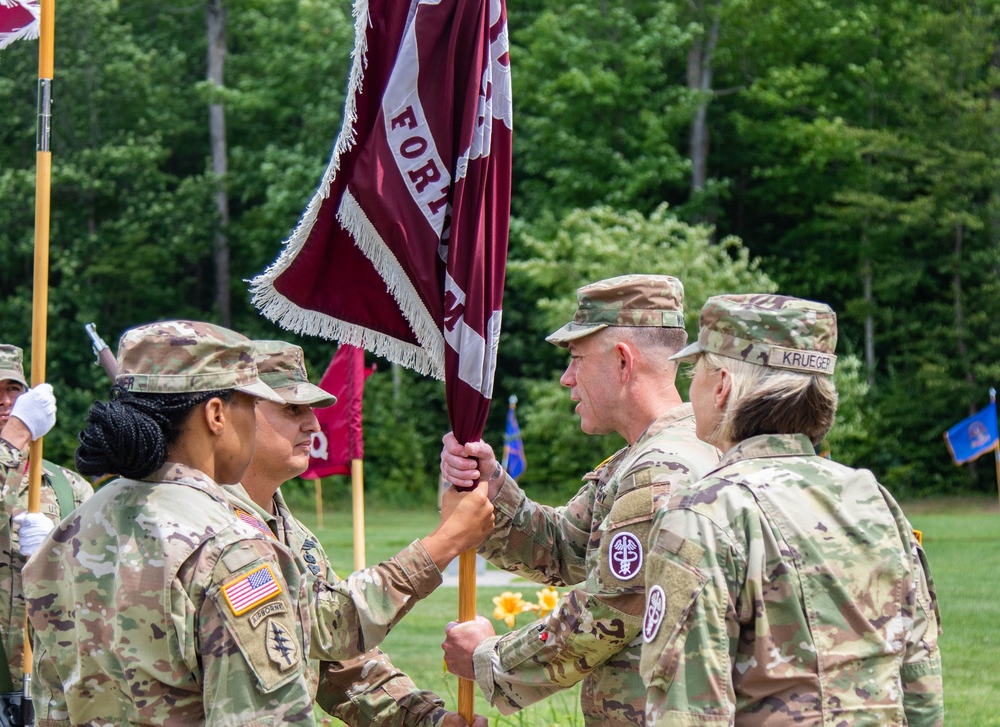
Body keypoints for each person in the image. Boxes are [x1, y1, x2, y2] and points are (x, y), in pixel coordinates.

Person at [22, 320, 494, 725]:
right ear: (216, 414)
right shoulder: (228, 546)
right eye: (256, 404)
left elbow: (324, 655)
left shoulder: (72, 528)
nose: (312, 424)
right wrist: (446, 540)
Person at [639, 294, 944, 725]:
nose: (691, 389)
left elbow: (687, 708)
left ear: (722, 385)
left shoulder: (706, 512)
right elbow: (920, 679)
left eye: (695, 371)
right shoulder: (872, 498)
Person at [440, 275, 721, 725]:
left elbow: (603, 614)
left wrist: (488, 657)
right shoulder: (647, 457)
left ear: (623, 362)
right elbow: (565, 548)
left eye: (576, 359)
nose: (566, 378)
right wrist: (492, 484)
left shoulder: (661, 470)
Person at [226, 339, 486, 726]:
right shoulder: (213, 530)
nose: (313, 423)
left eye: (311, 409)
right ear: (231, 414)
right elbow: (320, 625)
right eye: (291, 408)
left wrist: (424, 719)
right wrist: (445, 542)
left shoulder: (293, 535)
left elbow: (337, 666)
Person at [0, 344, 92, 722]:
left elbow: (101, 586)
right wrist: (15, 434)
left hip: (49, 685)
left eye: (13, 390)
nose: (5, 402)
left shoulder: (68, 487)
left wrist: (58, 556)